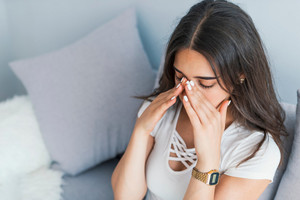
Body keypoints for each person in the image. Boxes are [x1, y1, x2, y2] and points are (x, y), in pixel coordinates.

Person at [111, 0, 288, 199]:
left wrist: (208, 161)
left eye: (205, 83)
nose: (188, 92)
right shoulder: (161, 109)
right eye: (180, 77)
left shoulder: (256, 151)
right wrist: (141, 130)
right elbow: (124, 196)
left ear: (240, 75)